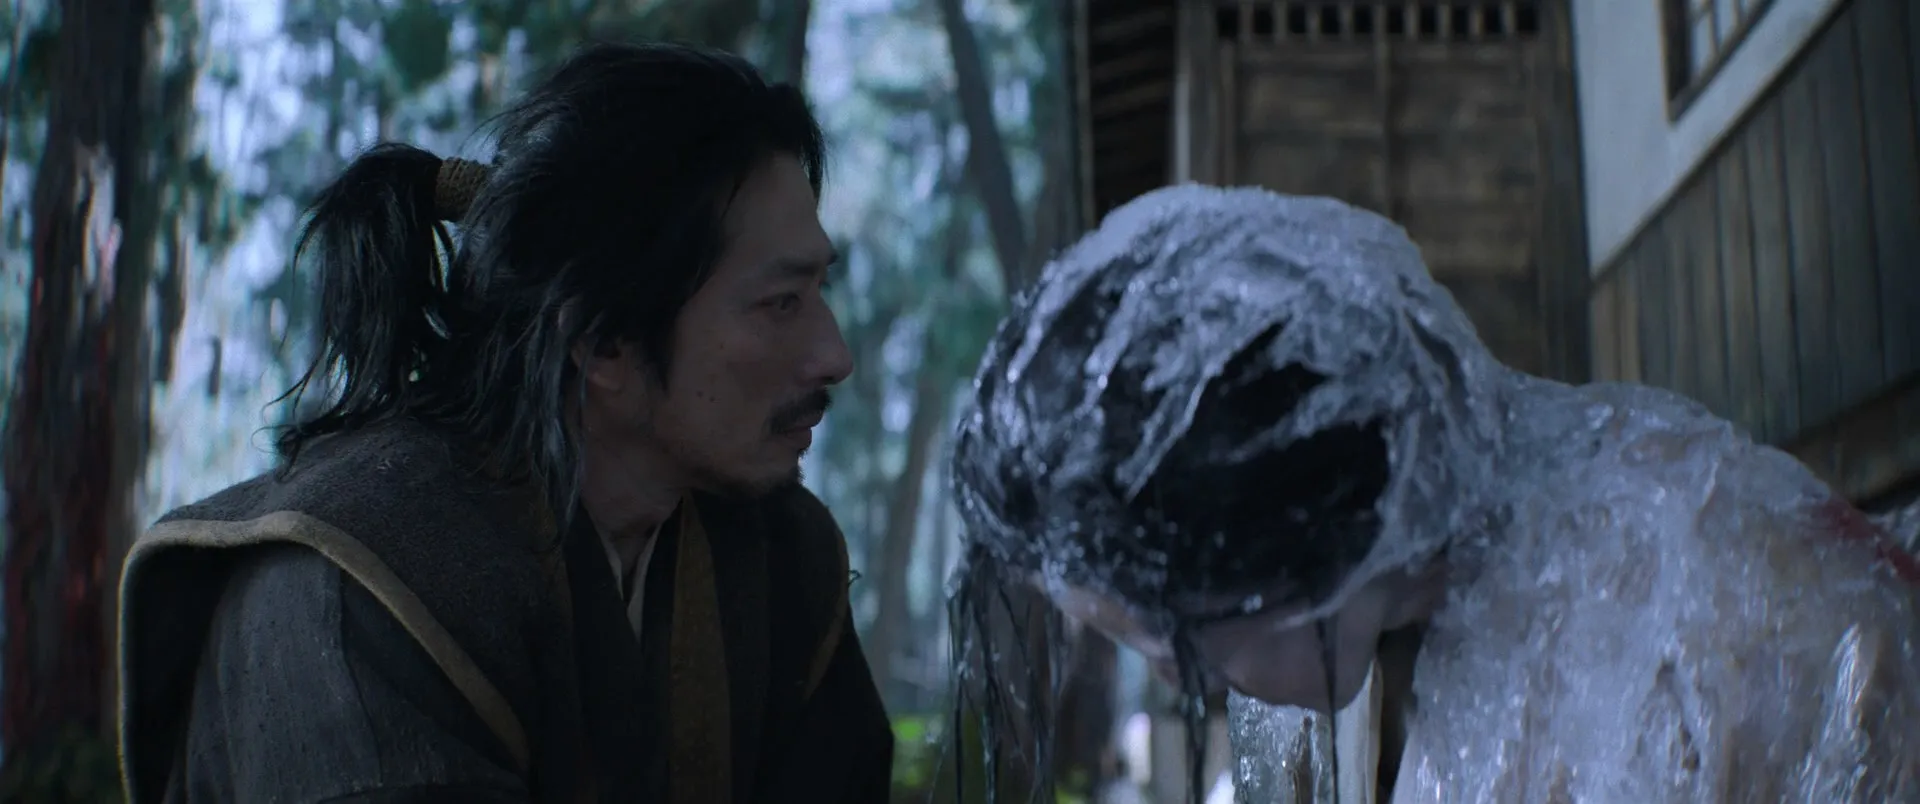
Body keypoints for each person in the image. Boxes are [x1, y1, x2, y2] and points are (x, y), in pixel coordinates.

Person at [945, 185, 1920, 802]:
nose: (1178, 684)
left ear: (1291, 540)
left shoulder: (1711, 615)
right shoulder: (1429, 616)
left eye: (1177, 644)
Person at [116, 42, 894, 804]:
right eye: (780, 304)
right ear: (604, 343)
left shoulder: (780, 556)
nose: (834, 356)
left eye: (818, 291)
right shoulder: (356, 590)